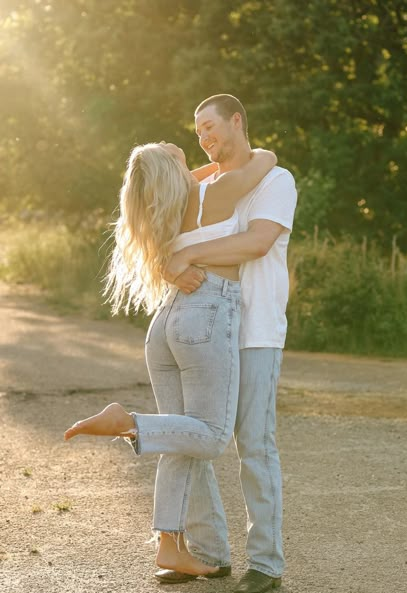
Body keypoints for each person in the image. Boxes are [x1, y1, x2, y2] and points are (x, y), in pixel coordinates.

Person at [64, 140, 277, 578]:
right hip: (205, 315)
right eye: (166, 148)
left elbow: (196, 173)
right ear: (172, 172)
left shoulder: (161, 205)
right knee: (214, 435)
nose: (172, 142)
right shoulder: (209, 194)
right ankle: (130, 423)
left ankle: (177, 546)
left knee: (181, 437)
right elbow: (262, 160)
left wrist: (167, 165)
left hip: (166, 322)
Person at [161, 95, 297, 593]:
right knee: (192, 436)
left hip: (254, 330)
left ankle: (266, 563)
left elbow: (255, 242)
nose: (205, 137)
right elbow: (168, 237)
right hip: (203, 330)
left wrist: (190, 254)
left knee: (254, 447)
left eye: (211, 126)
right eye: (197, 132)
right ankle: (210, 554)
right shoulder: (206, 187)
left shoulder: (274, 181)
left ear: (237, 120)